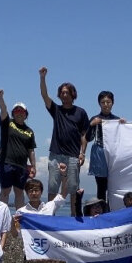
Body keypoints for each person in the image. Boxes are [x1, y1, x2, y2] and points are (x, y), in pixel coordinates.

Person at [38, 66, 90, 210]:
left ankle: (74, 217)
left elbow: (84, 134)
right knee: (53, 188)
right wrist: (42, 78)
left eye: (67, 92)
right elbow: (44, 95)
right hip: (56, 154)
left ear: (73, 94)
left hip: (73, 156)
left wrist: (83, 152)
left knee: (73, 188)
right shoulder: (56, 110)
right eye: (62, 92)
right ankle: (50, 217)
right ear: (59, 95)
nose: (64, 94)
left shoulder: (81, 112)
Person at [0, 89, 36, 210]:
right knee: (5, 191)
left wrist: (33, 166)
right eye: (17, 111)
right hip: (7, 162)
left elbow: (31, 150)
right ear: (13, 113)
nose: (19, 113)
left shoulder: (29, 131)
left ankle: (19, 218)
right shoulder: (7, 123)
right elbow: (3, 110)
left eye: (22, 111)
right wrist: (0, 98)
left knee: (19, 193)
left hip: (22, 166)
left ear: (26, 114)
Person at [87, 90, 125, 200]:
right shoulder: (95, 119)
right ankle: (102, 211)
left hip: (113, 153)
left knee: (114, 185)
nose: (106, 105)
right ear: (99, 103)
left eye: (108, 102)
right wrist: (91, 125)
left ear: (112, 103)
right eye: (103, 102)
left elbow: (125, 139)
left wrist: (125, 125)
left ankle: (114, 209)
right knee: (101, 186)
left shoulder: (117, 120)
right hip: (99, 152)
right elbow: (88, 138)